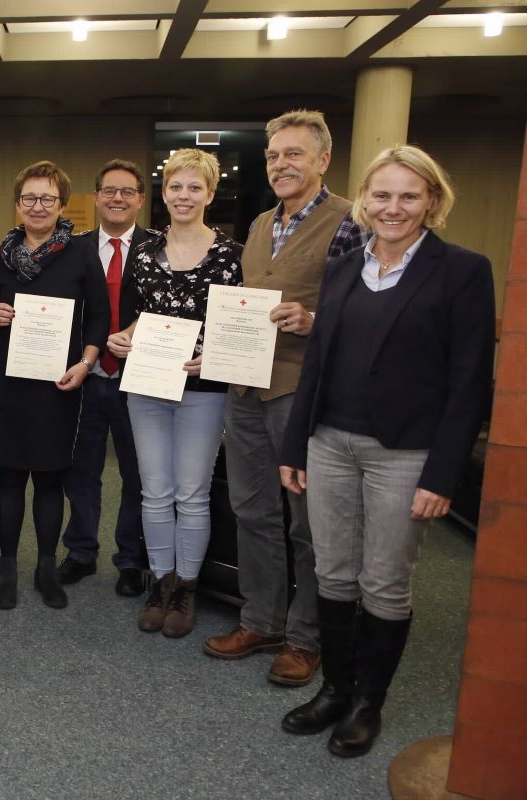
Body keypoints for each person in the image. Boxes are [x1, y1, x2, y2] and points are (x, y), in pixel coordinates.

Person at [278, 145, 494, 757]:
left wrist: (443, 472)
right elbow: (317, 362)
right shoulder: (345, 266)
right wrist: (296, 443)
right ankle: (334, 690)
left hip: (406, 455)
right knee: (334, 573)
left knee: (384, 584)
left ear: (432, 201)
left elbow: (469, 381)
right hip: (330, 444)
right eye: (381, 195)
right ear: (365, 201)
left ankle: (367, 704)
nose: (393, 207)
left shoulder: (461, 271)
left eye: (408, 195)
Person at [202, 109, 367, 686]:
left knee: (307, 520)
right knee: (251, 510)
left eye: (294, 154)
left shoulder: (353, 223)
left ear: (323, 160)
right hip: (244, 386)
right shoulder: (259, 224)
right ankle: (261, 620)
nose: (281, 165)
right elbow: (246, 307)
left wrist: (315, 318)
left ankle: (306, 637)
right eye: (273, 156)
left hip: (304, 390)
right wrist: (215, 354)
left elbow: (372, 313)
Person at [107, 149, 242, 638]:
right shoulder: (144, 251)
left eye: (194, 188)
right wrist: (121, 337)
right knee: (155, 492)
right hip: (147, 384)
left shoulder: (231, 255)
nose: (183, 196)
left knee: (193, 493)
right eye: (175, 187)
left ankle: (186, 587)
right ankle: (160, 582)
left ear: (209, 193)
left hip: (203, 389)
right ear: (163, 194)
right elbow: (136, 316)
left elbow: (238, 329)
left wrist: (219, 356)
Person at [0, 160, 110, 610]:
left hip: (59, 381)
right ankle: (8, 567)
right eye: (30, 198)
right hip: (9, 382)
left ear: (61, 204)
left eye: (48, 199)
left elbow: (99, 315)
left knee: (51, 478)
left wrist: (87, 361)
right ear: (18, 204)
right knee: (11, 477)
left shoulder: (80, 252)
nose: (38, 206)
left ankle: (44, 568)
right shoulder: (2, 254)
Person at [57, 159, 150, 596]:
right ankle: (80, 552)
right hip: (85, 375)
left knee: (137, 475)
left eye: (127, 191)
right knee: (81, 470)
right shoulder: (72, 247)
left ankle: (131, 559)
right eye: (109, 190)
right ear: (95, 198)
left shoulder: (159, 247)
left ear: (140, 200)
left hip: (142, 380)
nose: (117, 198)